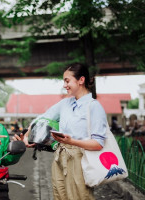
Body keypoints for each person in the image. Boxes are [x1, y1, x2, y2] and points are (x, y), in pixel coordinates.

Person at [14, 63, 108, 200]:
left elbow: (99, 143)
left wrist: (72, 141)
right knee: (59, 196)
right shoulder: (65, 104)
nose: (64, 85)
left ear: (81, 80)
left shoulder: (94, 107)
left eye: (67, 80)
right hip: (60, 157)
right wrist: (28, 135)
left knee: (80, 196)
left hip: (80, 159)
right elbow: (43, 118)